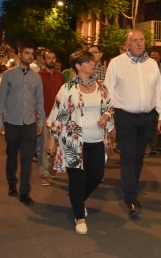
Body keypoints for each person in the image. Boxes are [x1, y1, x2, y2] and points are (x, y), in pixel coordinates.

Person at [47, 50, 114, 235]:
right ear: (78, 66)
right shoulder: (68, 88)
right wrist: (52, 138)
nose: (93, 64)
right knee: (77, 180)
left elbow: (110, 106)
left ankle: (78, 200)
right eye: (88, 62)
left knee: (96, 176)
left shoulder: (101, 87)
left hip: (97, 141)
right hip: (73, 143)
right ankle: (79, 216)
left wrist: (107, 115)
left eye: (93, 61)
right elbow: (58, 113)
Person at [104, 29, 161, 217]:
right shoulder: (116, 63)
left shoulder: (152, 64)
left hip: (147, 119)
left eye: (142, 40)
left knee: (139, 158)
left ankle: (131, 188)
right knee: (128, 157)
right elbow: (108, 93)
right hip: (125, 118)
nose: (140, 44)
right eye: (135, 41)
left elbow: (159, 91)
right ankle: (130, 197)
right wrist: (110, 122)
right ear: (127, 44)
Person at [0, 44, 45, 206]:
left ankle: (25, 192)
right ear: (19, 54)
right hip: (11, 124)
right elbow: (1, 100)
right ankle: (11, 183)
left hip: (29, 124)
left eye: (32, 53)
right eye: (27, 52)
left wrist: (41, 121)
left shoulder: (36, 77)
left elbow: (40, 102)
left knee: (26, 159)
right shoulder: (8, 75)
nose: (30, 56)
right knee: (11, 157)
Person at [38, 49, 65, 186]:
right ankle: (44, 173)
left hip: (59, 116)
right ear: (43, 60)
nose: (51, 60)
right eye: (48, 58)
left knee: (58, 143)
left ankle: (52, 167)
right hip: (44, 116)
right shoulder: (38, 76)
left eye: (53, 57)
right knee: (43, 145)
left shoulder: (61, 77)